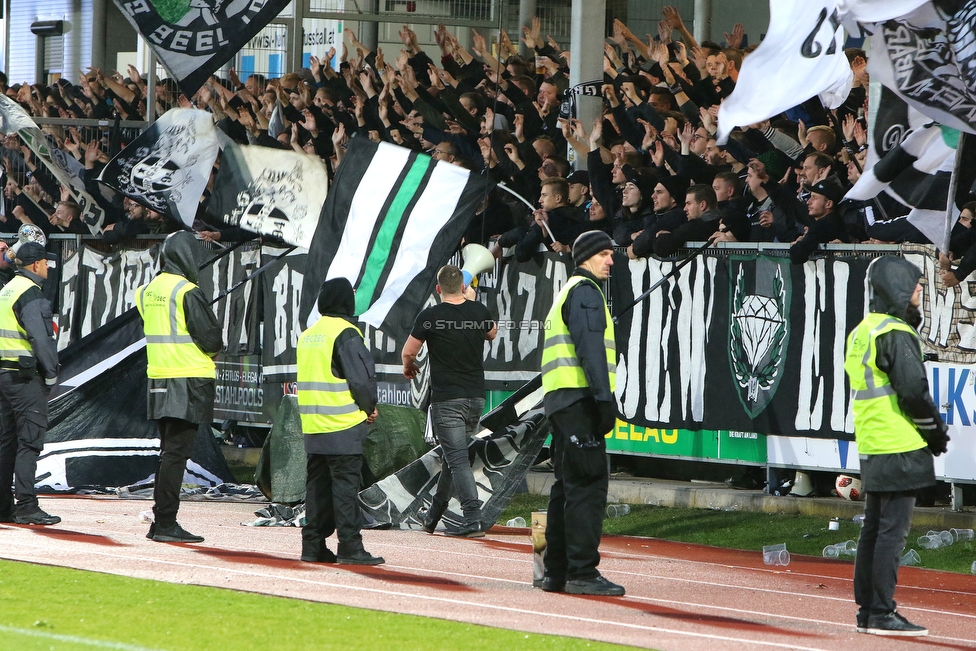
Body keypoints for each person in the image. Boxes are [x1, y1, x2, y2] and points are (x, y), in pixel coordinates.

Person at [844, 256, 949, 637]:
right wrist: (935, 434)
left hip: (874, 442)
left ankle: (868, 611)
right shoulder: (896, 332)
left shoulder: (864, 330)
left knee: (874, 529)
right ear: (897, 287)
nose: (920, 289)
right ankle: (882, 612)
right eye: (915, 283)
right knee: (891, 532)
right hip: (900, 442)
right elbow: (914, 393)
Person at [538, 230, 624, 597]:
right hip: (579, 402)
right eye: (604, 254)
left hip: (562, 402)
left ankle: (555, 572)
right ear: (587, 256)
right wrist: (604, 401)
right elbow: (591, 351)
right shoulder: (587, 293)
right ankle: (582, 573)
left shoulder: (568, 290)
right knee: (588, 487)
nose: (611, 261)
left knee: (566, 488)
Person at [136, 231, 222, 543]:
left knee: (167, 454)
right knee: (175, 455)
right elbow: (212, 340)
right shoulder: (187, 290)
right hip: (188, 380)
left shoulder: (146, 291)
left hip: (159, 378)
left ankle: (161, 521)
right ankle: (166, 523)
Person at [402, 265, 497, 537]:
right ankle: (433, 516)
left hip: (447, 399)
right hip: (475, 397)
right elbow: (492, 333)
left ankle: (473, 518)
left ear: (438, 289)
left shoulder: (431, 316)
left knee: (456, 459)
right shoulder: (477, 311)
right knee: (452, 458)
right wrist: (472, 302)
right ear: (464, 287)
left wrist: (409, 367)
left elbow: (409, 352)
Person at [297, 277, 384, 565]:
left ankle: (312, 546)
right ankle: (350, 547)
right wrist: (369, 407)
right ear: (346, 302)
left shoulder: (308, 334)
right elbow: (361, 379)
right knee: (345, 489)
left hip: (313, 427)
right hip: (343, 425)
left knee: (316, 490)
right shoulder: (346, 333)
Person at [0, 242, 59, 525]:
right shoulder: (31, 294)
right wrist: (51, 373)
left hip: (3, 377)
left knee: (7, 442)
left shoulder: (7, 289)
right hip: (24, 379)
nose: (47, 267)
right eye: (46, 263)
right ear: (35, 265)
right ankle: (26, 505)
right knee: (29, 442)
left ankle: (3, 506)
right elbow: (41, 339)